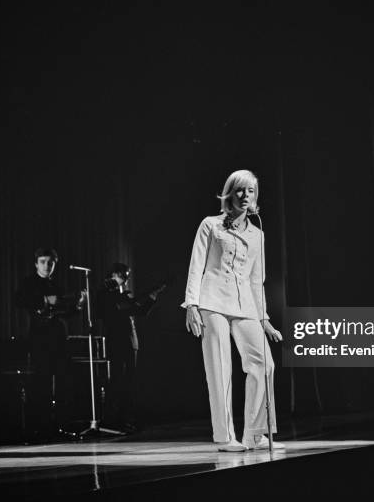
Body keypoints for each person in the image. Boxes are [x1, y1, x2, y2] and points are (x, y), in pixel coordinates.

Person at [182, 169, 284, 452]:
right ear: (229, 193)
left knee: (264, 365)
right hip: (212, 302)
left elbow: (256, 280)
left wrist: (264, 319)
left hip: (246, 306)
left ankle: (254, 433)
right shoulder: (210, 225)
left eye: (250, 191)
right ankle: (226, 437)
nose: (245, 196)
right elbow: (196, 266)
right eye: (240, 190)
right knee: (219, 368)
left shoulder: (257, 234)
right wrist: (191, 304)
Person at [15, 247, 85, 423]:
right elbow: (20, 300)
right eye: (43, 262)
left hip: (59, 337)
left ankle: (60, 421)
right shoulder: (28, 282)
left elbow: (65, 314)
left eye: (50, 263)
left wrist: (77, 305)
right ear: (36, 264)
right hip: (40, 338)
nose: (47, 266)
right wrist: (46, 300)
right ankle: (41, 423)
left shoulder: (57, 284)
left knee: (63, 379)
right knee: (41, 380)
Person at [95, 263, 164, 431]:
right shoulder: (105, 294)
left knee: (129, 382)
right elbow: (117, 309)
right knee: (117, 380)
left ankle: (126, 419)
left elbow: (139, 311)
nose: (124, 280)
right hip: (115, 341)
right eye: (121, 275)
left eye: (126, 276)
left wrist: (152, 297)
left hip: (130, 341)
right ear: (112, 275)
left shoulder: (124, 294)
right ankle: (113, 419)